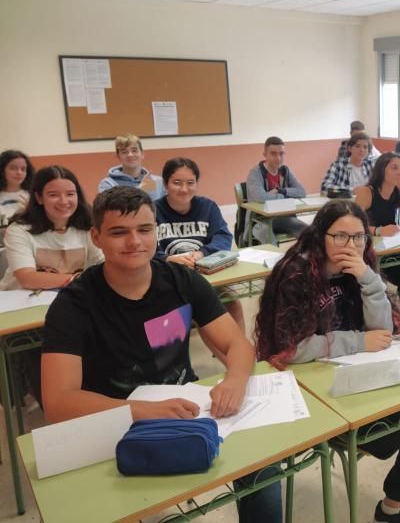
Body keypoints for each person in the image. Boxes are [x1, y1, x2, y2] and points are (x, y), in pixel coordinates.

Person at [40, 187, 282, 523]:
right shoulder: (73, 305)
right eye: (118, 232)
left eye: (144, 230)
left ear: (157, 230)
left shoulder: (183, 280)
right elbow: (58, 402)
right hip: (112, 424)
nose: (135, 242)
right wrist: (144, 411)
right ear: (96, 236)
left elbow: (236, 345)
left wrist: (235, 380)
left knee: (263, 466)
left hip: (187, 408)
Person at [254, 200, 400, 523]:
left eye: (359, 237)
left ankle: (391, 510)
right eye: (340, 236)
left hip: (356, 373)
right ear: (320, 235)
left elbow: (382, 330)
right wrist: (357, 341)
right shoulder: (297, 272)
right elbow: (291, 347)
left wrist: (369, 280)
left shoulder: (360, 265)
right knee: (395, 435)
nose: (351, 245)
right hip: (308, 384)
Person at [0, 165, 104, 404]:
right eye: (53, 194)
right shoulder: (20, 230)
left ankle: (90, 396)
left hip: (72, 305)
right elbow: (28, 277)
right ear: (38, 197)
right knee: (43, 356)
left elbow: (100, 265)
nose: (64, 201)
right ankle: (54, 403)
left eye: (70, 193)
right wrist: (79, 279)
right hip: (23, 312)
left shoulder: (87, 227)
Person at [155, 157, 245, 337]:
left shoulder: (207, 206)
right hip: (168, 278)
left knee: (232, 302)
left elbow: (223, 236)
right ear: (166, 184)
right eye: (177, 183)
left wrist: (202, 253)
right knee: (185, 310)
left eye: (190, 183)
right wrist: (167, 258)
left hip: (205, 275)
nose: (184, 189)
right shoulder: (152, 210)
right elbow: (144, 248)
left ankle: (241, 351)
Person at [355, 152, 400, 319]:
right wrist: (378, 230)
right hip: (370, 247)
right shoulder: (367, 192)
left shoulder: (397, 194)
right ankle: (397, 305)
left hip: (390, 246)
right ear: (381, 170)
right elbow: (353, 224)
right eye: (394, 168)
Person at [246, 136, 308, 241]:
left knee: (308, 233)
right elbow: (261, 197)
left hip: (283, 218)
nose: (278, 158)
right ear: (265, 155)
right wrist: (286, 197)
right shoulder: (255, 173)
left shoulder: (285, 170)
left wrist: (281, 191)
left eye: (281, 154)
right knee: (268, 238)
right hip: (260, 221)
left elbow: (302, 192)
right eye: (273, 154)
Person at [98, 134, 165, 200]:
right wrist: (141, 190)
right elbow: (113, 208)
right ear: (118, 156)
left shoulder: (158, 181)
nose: (130, 155)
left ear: (142, 154)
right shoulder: (108, 184)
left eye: (134, 150)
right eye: (124, 152)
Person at [0, 149, 34, 225]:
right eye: (13, 168)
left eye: (23, 169)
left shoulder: (34, 194)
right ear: (2, 170)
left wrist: (32, 211)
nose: (19, 172)